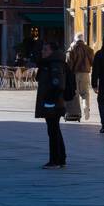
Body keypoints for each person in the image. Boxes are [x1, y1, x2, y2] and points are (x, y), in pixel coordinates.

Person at [34, 40, 73, 169]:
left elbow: (58, 84)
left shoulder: (54, 64)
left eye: (45, 49)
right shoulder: (51, 63)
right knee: (55, 130)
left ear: (52, 51)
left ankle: (55, 160)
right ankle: (61, 158)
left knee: (53, 131)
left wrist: (50, 99)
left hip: (53, 103)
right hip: (54, 102)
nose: (42, 51)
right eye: (43, 49)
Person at [66, 35, 94, 122]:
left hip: (74, 74)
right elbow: (93, 62)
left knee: (75, 93)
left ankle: (77, 113)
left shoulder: (72, 49)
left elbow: (68, 63)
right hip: (85, 74)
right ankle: (86, 107)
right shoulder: (89, 49)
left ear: (75, 40)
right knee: (85, 93)